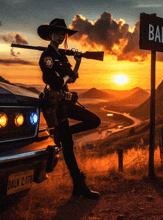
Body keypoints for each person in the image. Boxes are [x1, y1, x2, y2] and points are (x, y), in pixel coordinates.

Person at [37, 18, 101, 199]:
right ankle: (79, 186)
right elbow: (56, 81)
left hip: (67, 101)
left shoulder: (63, 57)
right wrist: (66, 76)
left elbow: (72, 78)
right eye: (56, 32)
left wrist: (78, 62)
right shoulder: (47, 57)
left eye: (62, 33)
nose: (60, 35)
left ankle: (63, 134)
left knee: (94, 121)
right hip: (57, 105)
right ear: (50, 35)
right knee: (69, 148)